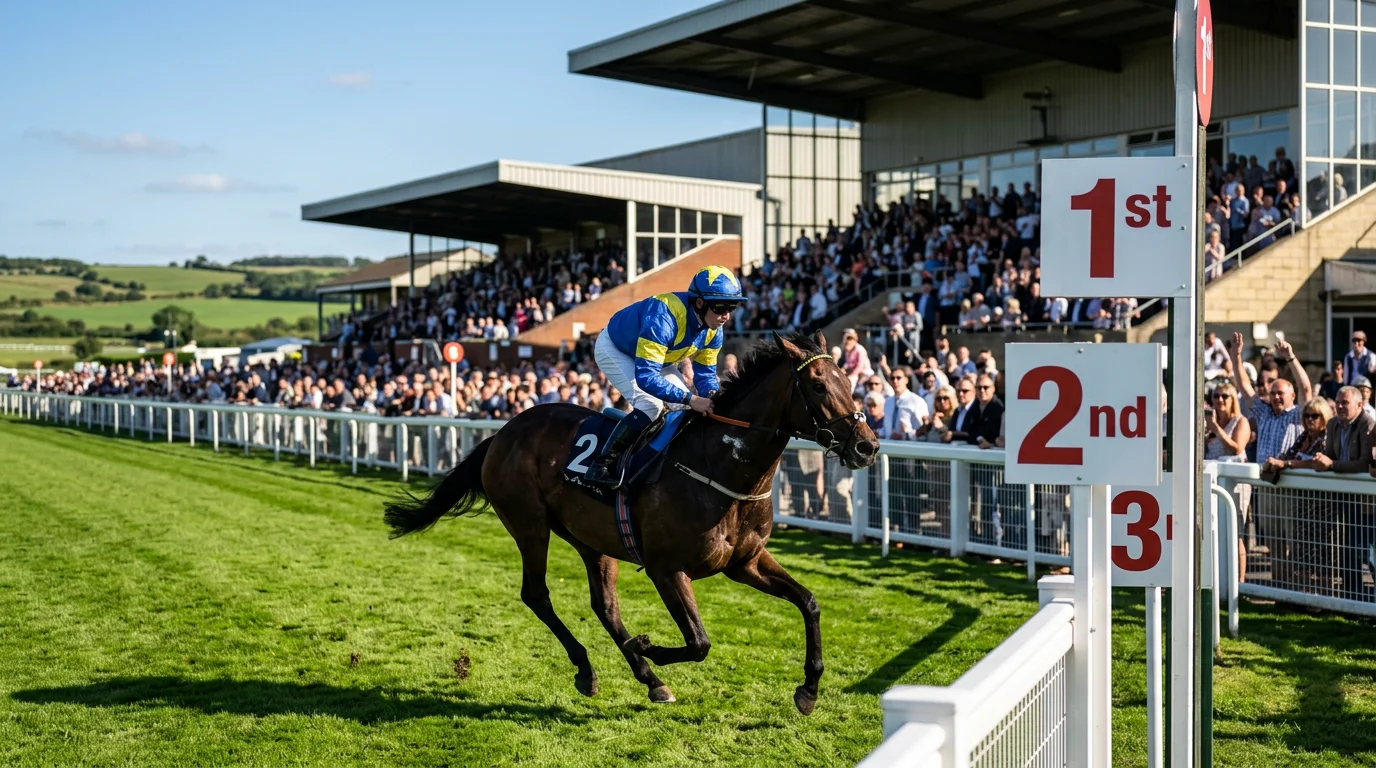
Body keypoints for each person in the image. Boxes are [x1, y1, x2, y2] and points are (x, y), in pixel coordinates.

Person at [584, 266, 744, 486]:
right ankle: (601, 465)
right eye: (720, 306)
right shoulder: (665, 314)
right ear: (699, 303)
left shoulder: (714, 329)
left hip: (661, 359)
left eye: (732, 306)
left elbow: (705, 376)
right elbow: (646, 376)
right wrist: (692, 398)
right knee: (651, 405)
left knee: (684, 410)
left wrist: (713, 397)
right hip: (616, 349)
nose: (726, 315)